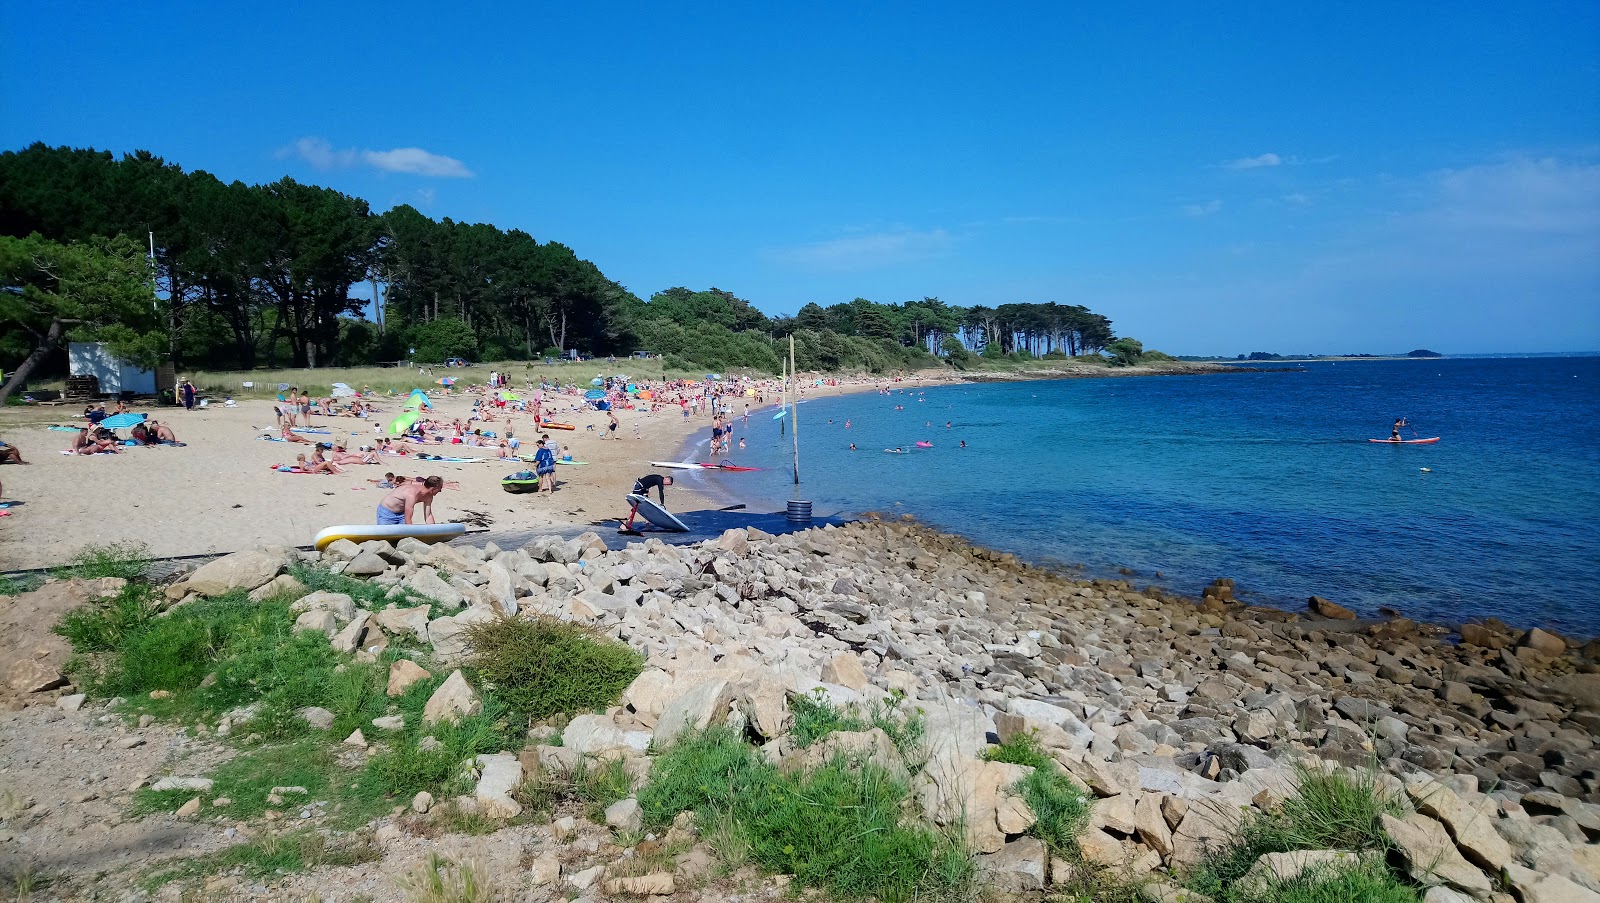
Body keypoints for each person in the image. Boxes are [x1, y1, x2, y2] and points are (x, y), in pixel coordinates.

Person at [377, 475, 443, 525]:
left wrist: (433, 530)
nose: (440, 491)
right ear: (433, 489)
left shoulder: (429, 496)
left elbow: (428, 515)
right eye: (439, 488)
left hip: (401, 514)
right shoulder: (412, 494)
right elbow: (408, 518)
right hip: (386, 512)